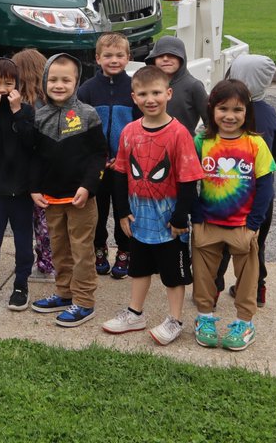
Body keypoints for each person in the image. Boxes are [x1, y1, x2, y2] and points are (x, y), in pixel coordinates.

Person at [101, 65, 204, 346]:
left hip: (170, 220)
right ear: (134, 97)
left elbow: (188, 180)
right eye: (143, 93)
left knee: (173, 275)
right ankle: (135, 313)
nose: (151, 99)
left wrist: (181, 217)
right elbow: (121, 172)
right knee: (139, 267)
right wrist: (121, 211)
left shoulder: (179, 133)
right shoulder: (129, 131)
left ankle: (175, 319)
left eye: (156, 92)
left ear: (168, 93)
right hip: (138, 216)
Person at [191, 79, 276, 352]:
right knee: (203, 276)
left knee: (248, 277)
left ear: (247, 112)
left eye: (237, 110)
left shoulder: (255, 143)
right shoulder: (202, 141)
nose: (229, 116)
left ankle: (244, 322)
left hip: (242, 225)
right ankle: (205, 318)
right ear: (212, 110)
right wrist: (194, 215)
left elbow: (265, 185)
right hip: (207, 223)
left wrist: (254, 224)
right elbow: (186, 179)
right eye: (223, 108)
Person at [29, 54, 108, 327]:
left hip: (80, 200)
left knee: (82, 250)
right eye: (53, 79)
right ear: (44, 81)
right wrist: (34, 187)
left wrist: (89, 186)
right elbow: (34, 158)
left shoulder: (87, 115)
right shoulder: (38, 116)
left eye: (66, 79)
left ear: (77, 82)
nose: (59, 85)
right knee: (59, 248)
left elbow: (99, 155)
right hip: (51, 199)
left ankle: (84, 302)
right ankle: (64, 293)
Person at [216, 54, 276, 306]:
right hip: (260, 195)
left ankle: (212, 288)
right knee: (255, 244)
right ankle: (257, 289)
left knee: (221, 242)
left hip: (227, 193)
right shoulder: (268, 113)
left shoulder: (226, 111)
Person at [0, 57, 38, 312]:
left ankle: (21, 285)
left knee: (23, 243)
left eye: (8, 82)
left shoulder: (26, 111)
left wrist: (17, 111)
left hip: (21, 190)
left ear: (18, 85)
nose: (2, 87)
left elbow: (30, 141)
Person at [76, 32, 139, 280]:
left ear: (128, 58)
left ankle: (125, 251)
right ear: (97, 58)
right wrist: (95, 156)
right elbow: (80, 126)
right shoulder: (88, 90)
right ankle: (99, 249)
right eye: (108, 55)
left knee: (124, 209)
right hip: (97, 164)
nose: (114, 60)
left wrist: (125, 156)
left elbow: (140, 125)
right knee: (97, 211)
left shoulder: (134, 87)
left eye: (119, 55)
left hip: (125, 164)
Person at [12, 47, 53, 282]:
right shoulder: (49, 103)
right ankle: (47, 263)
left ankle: (37, 263)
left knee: (25, 223)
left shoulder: (18, 105)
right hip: (46, 174)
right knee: (45, 223)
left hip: (22, 173)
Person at [144, 35, 208, 133]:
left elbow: (210, 121)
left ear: (181, 58)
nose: (165, 59)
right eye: (160, 55)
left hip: (183, 144)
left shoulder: (194, 86)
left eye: (171, 55)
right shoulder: (146, 84)